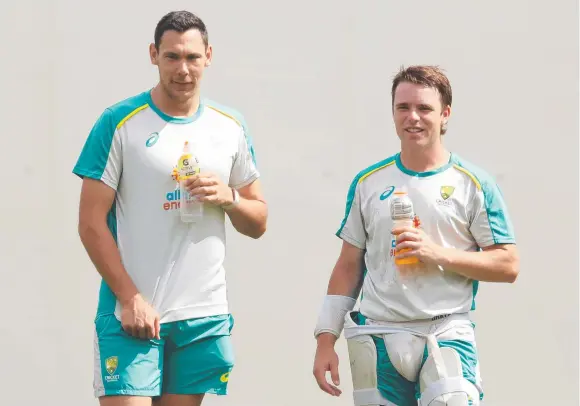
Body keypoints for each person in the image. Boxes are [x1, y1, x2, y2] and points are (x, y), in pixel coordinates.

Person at [73, 10, 267, 406]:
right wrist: (129, 298)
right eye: (172, 57)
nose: (183, 69)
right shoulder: (119, 122)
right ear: (153, 55)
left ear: (208, 56)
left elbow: (259, 220)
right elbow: (91, 224)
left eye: (192, 57)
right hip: (132, 311)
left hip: (201, 314)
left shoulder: (229, 125)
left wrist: (229, 198)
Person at [312, 65, 519, 406]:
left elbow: (508, 264)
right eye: (403, 107)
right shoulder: (369, 182)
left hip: (445, 332)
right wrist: (325, 339)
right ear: (393, 112)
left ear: (445, 114)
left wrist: (438, 254)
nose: (413, 118)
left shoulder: (473, 183)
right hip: (379, 335)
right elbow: (349, 266)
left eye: (424, 108)